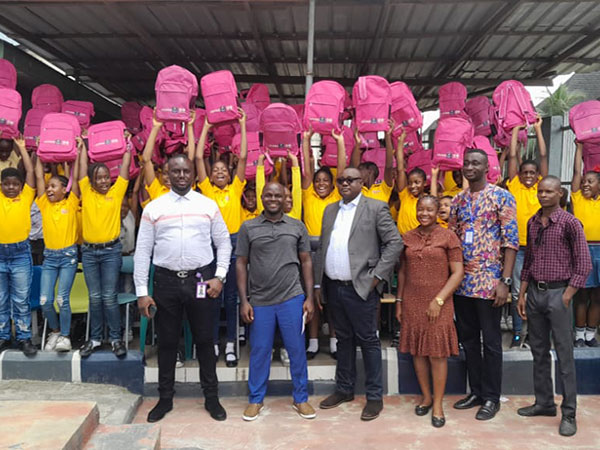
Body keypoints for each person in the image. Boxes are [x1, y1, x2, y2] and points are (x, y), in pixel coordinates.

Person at [134, 153, 232, 423]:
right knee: (166, 343)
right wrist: (142, 291)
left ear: (193, 173)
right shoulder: (154, 208)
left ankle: (211, 398)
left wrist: (220, 276)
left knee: (204, 341)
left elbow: (224, 243)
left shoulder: (208, 205)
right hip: (165, 283)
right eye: (175, 172)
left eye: (185, 171)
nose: (180, 176)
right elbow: (142, 251)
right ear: (166, 174)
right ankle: (165, 399)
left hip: (201, 281)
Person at [315, 167, 402, 421]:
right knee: (343, 340)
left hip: (362, 288)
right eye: (340, 180)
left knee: (368, 341)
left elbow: (394, 243)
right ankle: (344, 389)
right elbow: (324, 246)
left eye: (350, 180)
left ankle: (374, 397)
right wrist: (320, 286)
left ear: (361, 182)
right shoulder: (330, 210)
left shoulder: (375, 208)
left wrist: (376, 277)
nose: (344, 184)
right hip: (334, 287)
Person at [516, 175, 592, 438]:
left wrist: (568, 296)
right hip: (536, 292)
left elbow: (584, 264)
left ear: (560, 193)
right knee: (538, 350)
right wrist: (522, 293)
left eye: (549, 191)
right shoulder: (533, 222)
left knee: (564, 355)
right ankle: (544, 403)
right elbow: (527, 262)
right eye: (540, 191)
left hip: (559, 294)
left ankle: (569, 412)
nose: (543, 195)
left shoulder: (570, 223)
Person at [449, 148, 518, 421]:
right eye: (466, 162)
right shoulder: (457, 200)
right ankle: (476, 391)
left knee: (491, 342)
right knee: (468, 340)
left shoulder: (501, 197)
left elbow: (511, 241)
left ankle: (492, 397)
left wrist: (506, 281)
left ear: (486, 167)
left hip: (490, 283)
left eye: (475, 163)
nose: (469, 167)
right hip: (463, 283)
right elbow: (453, 239)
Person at [237, 182, 316, 421]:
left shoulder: (296, 226)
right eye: (268, 195)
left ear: (284, 198)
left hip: (292, 296)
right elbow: (241, 263)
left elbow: (306, 262)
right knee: (260, 350)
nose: (272, 199)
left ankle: (300, 398)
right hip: (260, 300)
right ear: (261, 197)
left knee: (296, 350)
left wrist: (310, 297)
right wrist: (244, 300)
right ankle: (255, 399)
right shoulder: (248, 227)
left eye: (277, 195)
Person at [396, 195, 464, 428]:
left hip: (439, 303)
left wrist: (439, 300)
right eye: (420, 209)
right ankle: (425, 396)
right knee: (417, 351)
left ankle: (437, 404)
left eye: (429, 210)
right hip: (412, 302)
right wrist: (399, 301)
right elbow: (403, 273)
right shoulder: (407, 237)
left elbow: (457, 273)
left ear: (437, 212)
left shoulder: (448, 236)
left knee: (436, 353)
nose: (424, 213)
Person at [196, 109, 247, 367]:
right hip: (210, 246)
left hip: (234, 243)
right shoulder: (206, 191)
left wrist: (242, 125)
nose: (218, 173)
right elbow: (197, 157)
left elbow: (245, 157)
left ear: (229, 175)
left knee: (231, 296)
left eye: (222, 170)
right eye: (214, 169)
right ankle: (213, 343)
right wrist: (205, 126)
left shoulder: (235, 188)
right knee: (210, 296)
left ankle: (230, 346)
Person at [78, 139, 131, 358]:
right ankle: (95, 339)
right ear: (90, 181)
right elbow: (80, 169)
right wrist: (82, 146)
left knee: (109, 296)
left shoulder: (116, 192)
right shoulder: (86, 192)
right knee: (95, 296)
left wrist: (127, 147)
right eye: (98, 178)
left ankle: (116, 339)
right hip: (89, 252)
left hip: (111, 252)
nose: (103, 181)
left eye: (106, 177)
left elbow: (126, 169)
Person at [301, 128, 346, 359]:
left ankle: (335, 341)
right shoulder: (308, 194)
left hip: (331, 250)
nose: (320, 183)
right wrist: (306, 140)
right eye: (318, 180)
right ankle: (313, 342)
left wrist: (339, 142)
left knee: (334, 299)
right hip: (310, 251)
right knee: (313, 296)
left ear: (332, 184)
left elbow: (341, 170)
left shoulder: (337, 197)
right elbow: (307, 171)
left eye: (325, 181)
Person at [34, 141, 82, 352]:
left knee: (62, 299)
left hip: (68, 256)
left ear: (65, 189)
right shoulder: (44, 204)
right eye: (48, 187)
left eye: (54, 186)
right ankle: (54, 331)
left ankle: (65, 336)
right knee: (45, 300)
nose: (49, 189)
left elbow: (78, 178)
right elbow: (37, 176)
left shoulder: (71, 203)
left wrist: (79, 153)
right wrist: (37, 151)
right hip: (50, 257)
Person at [506, 117, 548, 348]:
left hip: (540, 247)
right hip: (518, 249)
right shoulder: (515, 185)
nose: (530, 176)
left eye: (533, 172)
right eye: (526, 173)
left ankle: (534, 334)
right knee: (516, 294)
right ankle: (517, 333)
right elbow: (512, 157)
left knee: (538, 293)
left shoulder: (542, 187)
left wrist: (538, 129)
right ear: (520, 174)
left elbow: (542, 157)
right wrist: (515, 131)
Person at [0, 136, 37, 356]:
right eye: (7, 184)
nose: (11, 187)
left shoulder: (25, 197)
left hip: (21, 253)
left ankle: (24, 338)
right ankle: (3, 336)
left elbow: (31, 173)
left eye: (15, 184)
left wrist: (22, 148)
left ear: (21, 186)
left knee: (21, 299)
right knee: (1, 299)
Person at [570, 142, 600, 347]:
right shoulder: (578, 198)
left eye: (590, 181)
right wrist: (579, 148)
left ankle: (591, 334)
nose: (586, 184)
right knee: (581, 295)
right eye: (584, 181)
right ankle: (579, 334)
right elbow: (575, 171)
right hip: (582, 250)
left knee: (597, 296)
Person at [350, 121, 395, 203]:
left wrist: (387, 136)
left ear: (370, 172)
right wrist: (358, 143)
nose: (357, 172)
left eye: (360, 169)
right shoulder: (358, 190)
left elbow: (388, 166)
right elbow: (353, 166)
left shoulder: (383, 188)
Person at [395, 132, 427, 236]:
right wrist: (400, 143)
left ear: (425, 183)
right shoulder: (405, 195)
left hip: (419, 241)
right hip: (402, 239)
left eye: (417, 182)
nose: (413, 186)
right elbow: (400, 169)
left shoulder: (428, 200)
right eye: (410, 183)